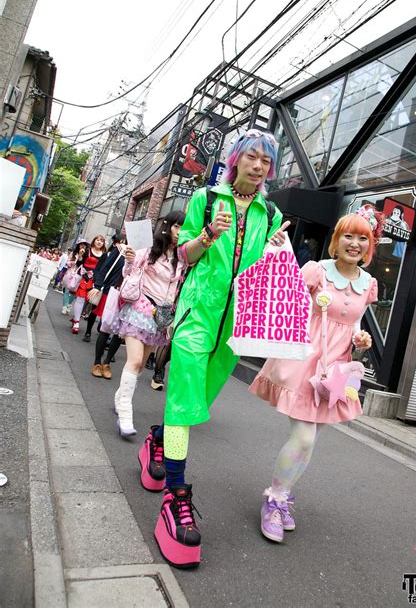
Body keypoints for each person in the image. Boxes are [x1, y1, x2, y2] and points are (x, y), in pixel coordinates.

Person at [141, 129, 289, 570]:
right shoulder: (207, 198)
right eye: (252, 157)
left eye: (266, 160)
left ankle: (156, 443)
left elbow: (263, 269)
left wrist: (276, 250)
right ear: (236, 158)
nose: (259, 166)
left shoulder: (271, 210)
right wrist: (207, 235)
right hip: (197, 315)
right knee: (185, 397)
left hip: (235, 327)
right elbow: (183, 255)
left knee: (195, 403)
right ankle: (176, 498)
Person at [249, 205, 383, 544]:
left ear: (369, 246)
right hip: (304, 361)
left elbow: (354, 325)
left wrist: (361, 339)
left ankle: (285, 493)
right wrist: (274, 248)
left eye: (362, 238)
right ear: (335, 242)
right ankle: (275, 499)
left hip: (334, 371)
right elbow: (282, 296)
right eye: (348, 236)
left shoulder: (368, 284)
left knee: (309, 442)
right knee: (305, 438)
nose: (355, 243)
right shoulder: (316, 271)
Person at [114, 210, 186, 435]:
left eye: (184, 228)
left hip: (160, 318)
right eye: (176, 226)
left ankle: (119, 398)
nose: (179, 232)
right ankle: (125, 414)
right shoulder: (149, 249)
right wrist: (129, 258)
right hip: (139, 309)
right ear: (167, 226)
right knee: (134, 361)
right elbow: (129, 273)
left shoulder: (182, 257)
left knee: (140, 366)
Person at [88, 236, 126, 378]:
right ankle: (97, 362)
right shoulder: (120, 250)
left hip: (130, 297)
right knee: (105, 328)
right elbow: (104, 268)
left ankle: (107, 362)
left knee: (119, 332)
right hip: (111, 292)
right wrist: (97, 286)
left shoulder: (144, 255)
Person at [70, 235, 106, 334]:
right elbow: (79, 263)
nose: (99, 242)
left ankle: (76, 318)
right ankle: (76, 322)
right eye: (97, 240)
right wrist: (80, 256)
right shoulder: (87, 251)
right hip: (84, 278)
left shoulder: (104, 254)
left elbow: (104, 269)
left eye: (101, 241)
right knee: (80, 299)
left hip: (95, 281)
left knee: (90, 302)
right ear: (94, 241)